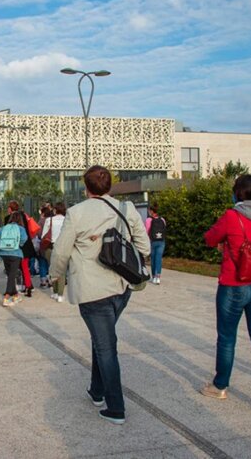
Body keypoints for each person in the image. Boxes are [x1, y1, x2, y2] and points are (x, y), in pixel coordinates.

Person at [49, 166, 150, 425]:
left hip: (92, 290)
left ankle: (116, 407)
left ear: (86, 187)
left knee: (106, 347)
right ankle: (97, 390)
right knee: (101, 339)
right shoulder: (127, 209)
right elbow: (145, 246)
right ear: (110, 186)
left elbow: (61, 251)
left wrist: (55, 275)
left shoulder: (77, 212)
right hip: (121, 287)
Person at [201, 174, 251, 412]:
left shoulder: (231, 216)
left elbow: (209, 238)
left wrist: (224, 242)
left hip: (234, 284)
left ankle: (220, 386)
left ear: (237, 194)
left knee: (227, 338)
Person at [0, 211, 28, 307]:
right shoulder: (21, 228)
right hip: (15, 253)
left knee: (9, 273)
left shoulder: (4, 228)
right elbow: (24, 238)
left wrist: (1, 243)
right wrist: (19, 244)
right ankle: (7, 297)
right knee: (12, 275)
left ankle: (15, 295)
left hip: (4, 253)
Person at [41, 202, 67, 302]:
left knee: (52, 269)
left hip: (50, 247)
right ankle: (60, 294)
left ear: (55, 210)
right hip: (63, 247)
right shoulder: (67, 220)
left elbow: (43, 235)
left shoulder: (49, 220)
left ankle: (55, 292)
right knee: (62, 271)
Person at [144, 205, 166, 285]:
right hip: (161, 241)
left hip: (152, 241)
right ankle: (158, 278)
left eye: (149, 210)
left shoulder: (148, 220)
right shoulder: (162, 219)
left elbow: (146, 231)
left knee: (153, 259)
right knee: (159, 259)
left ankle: (153, 277)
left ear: (151, 211)